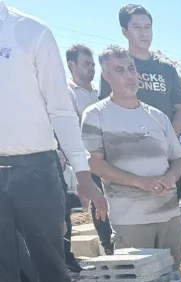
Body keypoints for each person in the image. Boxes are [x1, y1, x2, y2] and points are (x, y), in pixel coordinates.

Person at [1, 0, 109, 282]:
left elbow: (60, 109)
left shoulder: (31, 32)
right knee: (2, 272)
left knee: (51, 264)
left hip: (36, 167)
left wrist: (82, 173)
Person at [83, 46, 181, 269]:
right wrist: (140, 183)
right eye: (120, 70)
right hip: (131, 222)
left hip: (170, 218)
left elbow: (179, 158)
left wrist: (170, 178)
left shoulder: (157, 116)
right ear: (106, 76)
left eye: (131, 69)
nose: (129, 75)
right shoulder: (96, 115)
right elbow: (94, 163)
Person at [102, 5, 181, 137]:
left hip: (165, 149)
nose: (144, 33)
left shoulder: (167, 69)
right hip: (128, 145)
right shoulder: (116, 68)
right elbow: (107, 109)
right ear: (125, 32)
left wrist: (170, 140)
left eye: (147, 27)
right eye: (137, 27)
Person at [66, 43, 114, 255]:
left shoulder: (100, 93)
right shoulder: (68, 93)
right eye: (86, 64)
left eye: (93, 64)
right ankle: (107, 245)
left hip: (111, 155)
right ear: (71, 65)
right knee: (99, 202)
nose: (91, 68)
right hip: (88, 158)